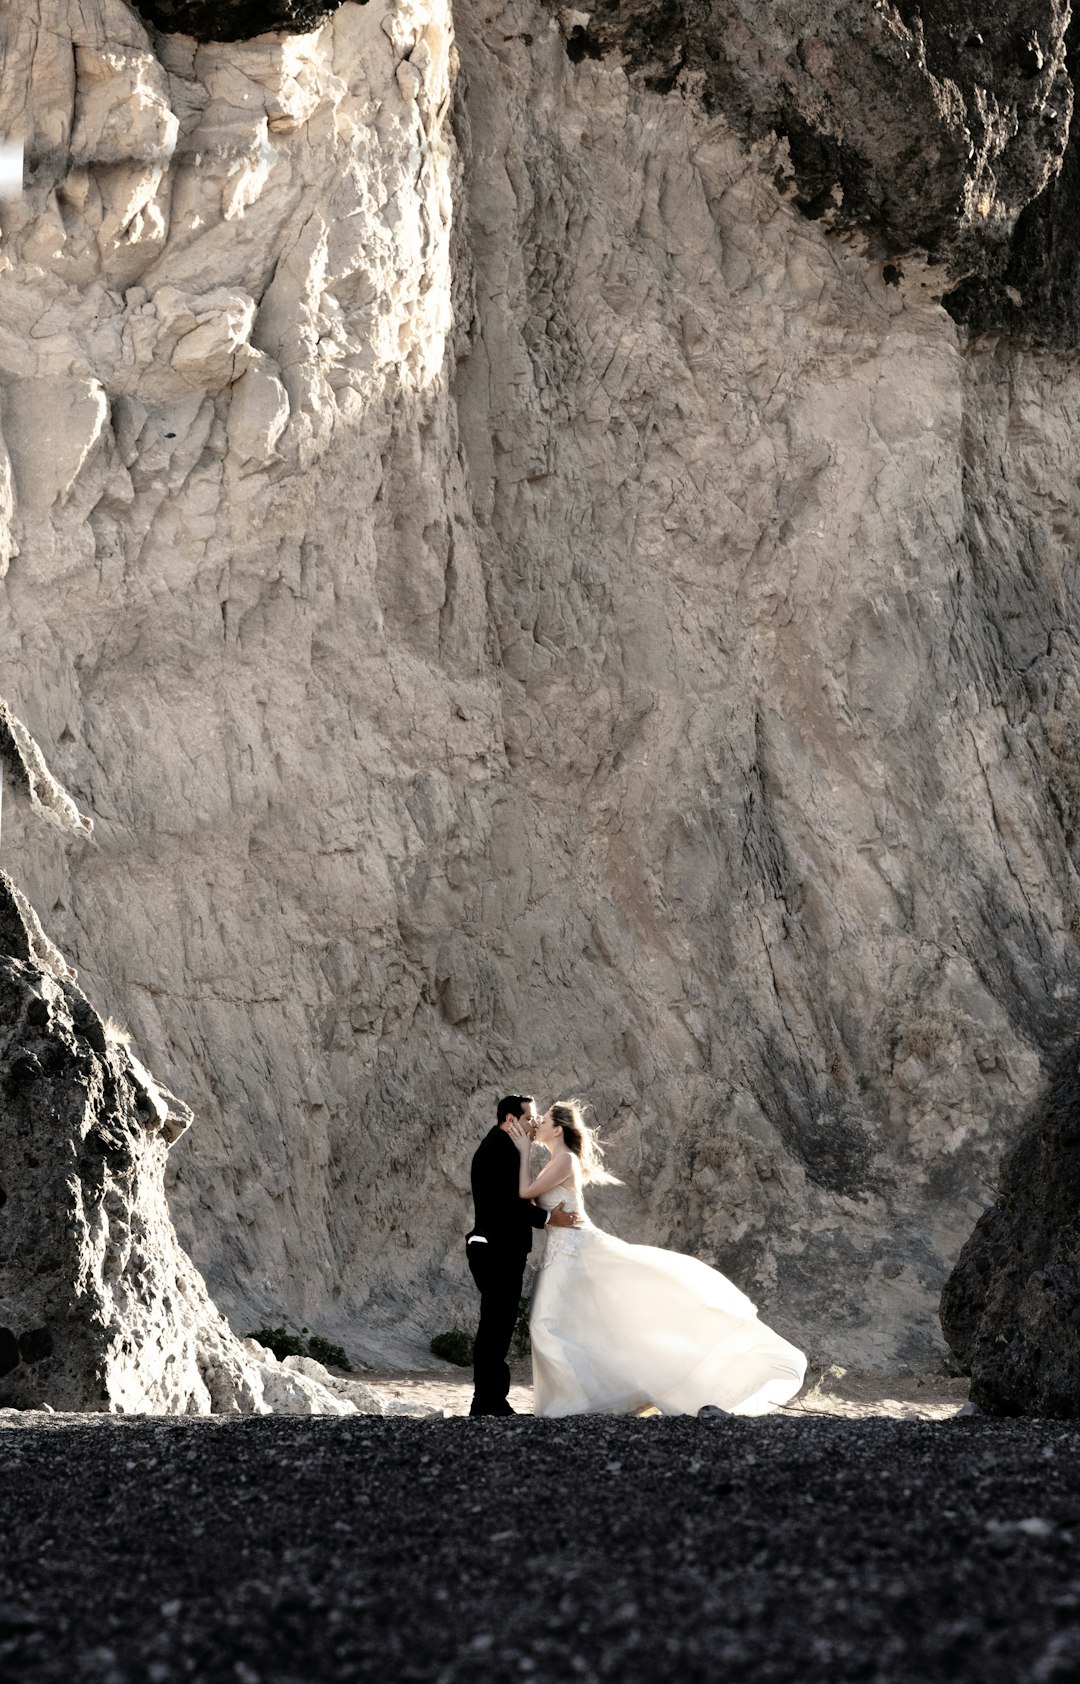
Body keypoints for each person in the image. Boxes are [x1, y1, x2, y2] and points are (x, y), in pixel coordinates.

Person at [506, 1099, 806, 1417]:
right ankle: (580, 1401)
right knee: (580, 1325)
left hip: (574, 1249)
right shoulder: (557, 1159)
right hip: (563, 1250)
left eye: (545, 1118)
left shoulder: (564, 1160)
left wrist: (524, 1149)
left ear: (558, 1129)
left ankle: (568, 1406)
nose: (537, 1123)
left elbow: (525, 1193)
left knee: (548, 1323)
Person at [466, 1094, 579, 1417]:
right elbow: (510, 1202)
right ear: (511, 1120)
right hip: (497, 1250)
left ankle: (488, 1400)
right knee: (495, 1326)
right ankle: (488, 1401)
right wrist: (546, 1219)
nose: (533, 1124)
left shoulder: (499, 1146)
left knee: (496, 1325)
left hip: (498, 1249)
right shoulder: (501, 1150)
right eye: (530, 1118)